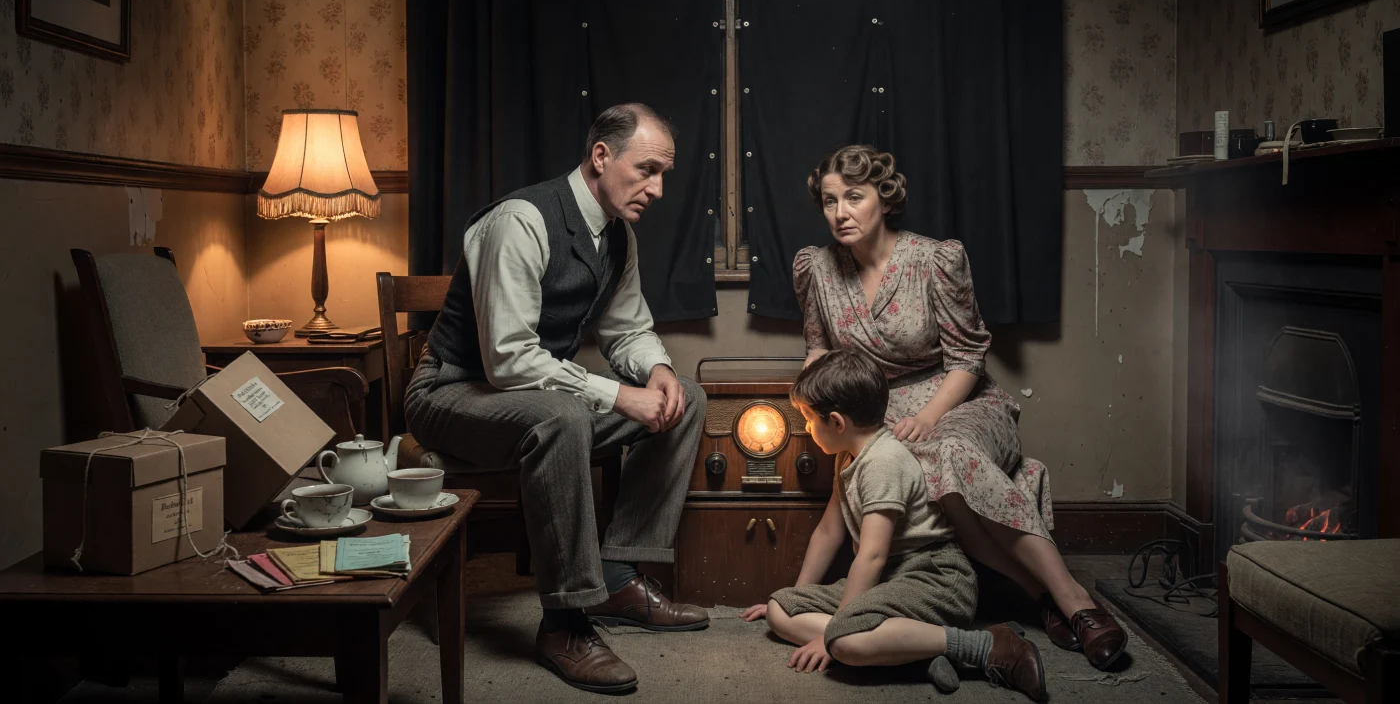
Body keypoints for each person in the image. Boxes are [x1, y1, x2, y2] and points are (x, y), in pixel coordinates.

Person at [405, 104, 709, 694]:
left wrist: (660, 371)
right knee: (567, 414)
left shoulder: (618, 235)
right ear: (601, 156)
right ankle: (566, 621)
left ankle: (617, 576)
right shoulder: (521, 219)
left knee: (687, 400)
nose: (658, 188)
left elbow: (627, 330)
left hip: (535, 403)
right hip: (451, 392)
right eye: (647, 170)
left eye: (663, 174)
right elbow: (508, 359)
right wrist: (619, 396)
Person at [790, 144, 1127, 670]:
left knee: (947, 453)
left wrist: (928, 418)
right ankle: (1032, 595)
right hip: (877, 407)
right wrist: (812, 399)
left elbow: (968, 357)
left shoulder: (934, 259)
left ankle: (1073, 601)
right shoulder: (817, 270)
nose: (840, 213)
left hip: (959, 399)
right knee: (897, 462)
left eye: (854, 197)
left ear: (884, 196)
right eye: (830, 202)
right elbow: (819, 350)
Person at [739, 349, 1048, 701]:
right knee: (780, 610)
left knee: (844, 640)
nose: (807, 429)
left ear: (837, 423)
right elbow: (828, 532)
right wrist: (799, 597)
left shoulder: (884, 463)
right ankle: (915, 653)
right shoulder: (848, 457)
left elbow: (871, 556)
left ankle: (985, 645)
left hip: (935, 578)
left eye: (809, 419)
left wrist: (834, 635)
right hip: (888, 580)